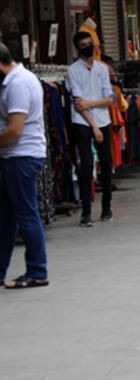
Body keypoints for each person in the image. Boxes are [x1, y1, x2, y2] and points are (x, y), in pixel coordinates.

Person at [0, 44, 49, 289]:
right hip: (16, 156)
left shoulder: (17, 84)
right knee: (8, 216)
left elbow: (15, 130)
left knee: (25, 214)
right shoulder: (20, 78)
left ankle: (37, 271)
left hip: (21, 155)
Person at [67, 31, 115, 227]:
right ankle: (86, 211)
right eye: (84, 44)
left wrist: (91, 103)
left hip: (104, 120)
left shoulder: (102, 69)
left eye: (90, 43)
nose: (88, 47)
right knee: (86, 165)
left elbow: (110, 99)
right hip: (82, 122)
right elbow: (78, 104)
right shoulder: (72, 71)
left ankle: (107, 207)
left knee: (106, 162)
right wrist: (94, 125)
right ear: (78, 48)